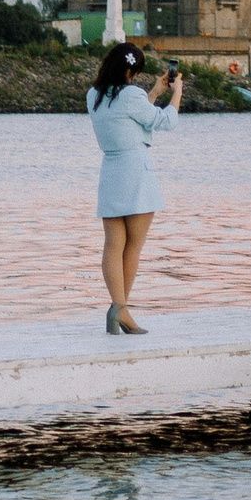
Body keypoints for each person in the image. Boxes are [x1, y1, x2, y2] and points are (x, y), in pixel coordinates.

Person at [86, 41, 183, 334]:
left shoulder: (94, 95)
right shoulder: (131, 95)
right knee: (133, 248)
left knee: (113, 245)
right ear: (130, 70)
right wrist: (176, 93)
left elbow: (131, 121)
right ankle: (121, 310)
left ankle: (119, 307)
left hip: (111, 171)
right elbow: (164, 122)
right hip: (137, 172)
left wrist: (154, 92)